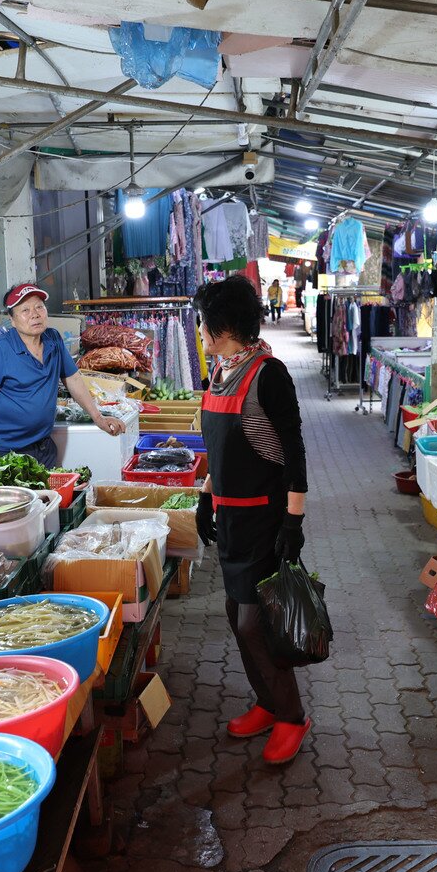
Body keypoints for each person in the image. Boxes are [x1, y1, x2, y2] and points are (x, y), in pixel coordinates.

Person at [194, 275, 311, 765]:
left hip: (265, 519)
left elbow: (294, 454)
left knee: (253, 622)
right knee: (235, 614)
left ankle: (292, 716)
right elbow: (220, 449)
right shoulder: (221, 371)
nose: (200, 332)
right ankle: (268, 702)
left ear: (223, 328)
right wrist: (206, 496)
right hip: (230, 520)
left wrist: (293, 522)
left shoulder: (269, 374)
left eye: (204, 323)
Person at [0, 283, 125, 465]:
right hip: (6, 452)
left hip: (43, 448)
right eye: (25, 310)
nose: (35, 314)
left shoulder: (53, 339)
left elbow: (72, 379)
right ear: (12, 320)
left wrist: (98, 417)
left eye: (39, 307)